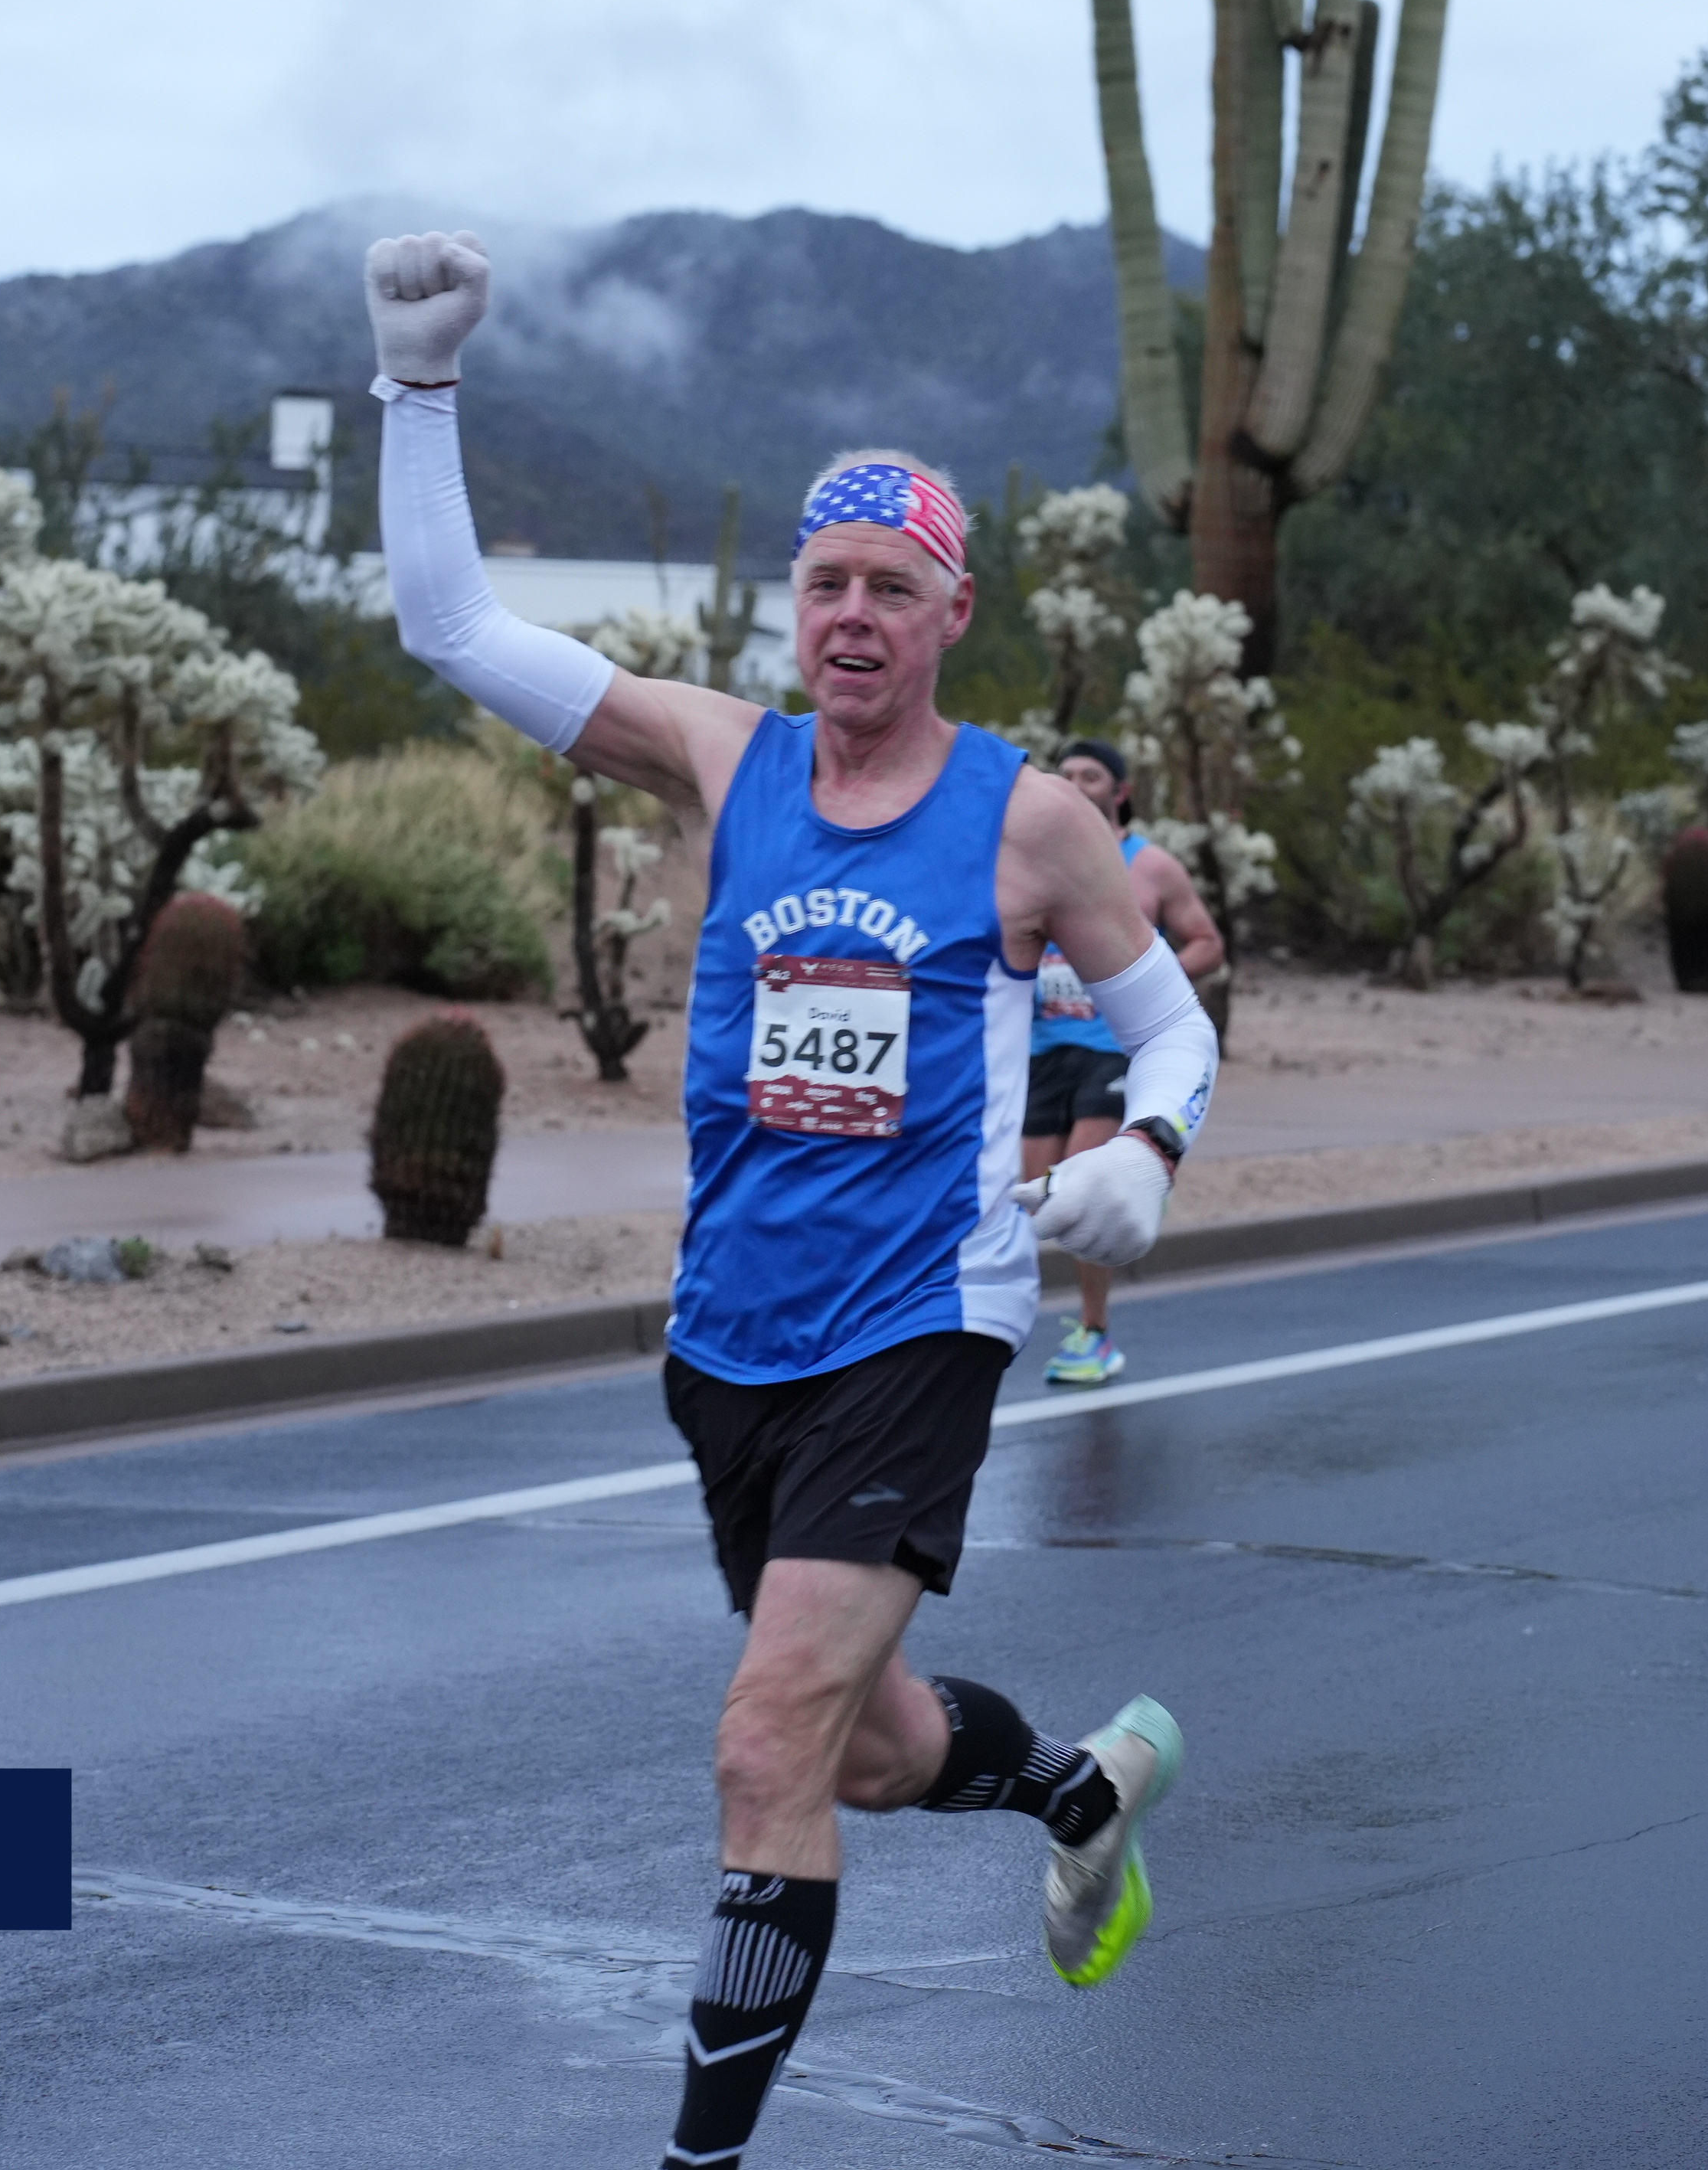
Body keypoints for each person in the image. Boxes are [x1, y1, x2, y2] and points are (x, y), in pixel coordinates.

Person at [363, 230, 1218, 2170]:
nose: (851, 613)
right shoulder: (720, 753)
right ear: (794, 602)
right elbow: (454, 627)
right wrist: (418, 388)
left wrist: (1143, 1155)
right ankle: (1079, 1790)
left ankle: (700, 2158)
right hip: (730, 1334)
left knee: (765, 1746)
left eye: (890, 587)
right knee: (872, 1743)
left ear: (950, 614)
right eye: (826, 580)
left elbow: (1171, 1028)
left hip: (924, 1322)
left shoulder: (1029, 818)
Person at [1021, 737, 1225, 1385]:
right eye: (1067, 774)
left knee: (1086, 1182)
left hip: (1114, 1049)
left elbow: (1208, 942)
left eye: (1091, 775)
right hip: (1044, 1048)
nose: (1077, 784)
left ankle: (1095, 1330)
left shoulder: (1151, 866)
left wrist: (1143, 980)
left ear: (1120, 790)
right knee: (1036, 1193)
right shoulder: (1036, 857)